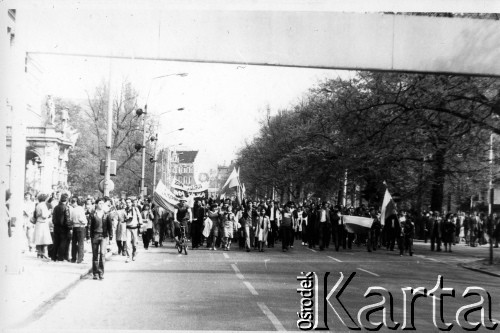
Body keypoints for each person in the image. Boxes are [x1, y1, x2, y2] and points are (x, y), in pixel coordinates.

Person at [88, 198, 113, 280]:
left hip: (103, 236)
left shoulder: (106, 214)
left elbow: (110, 226)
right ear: (96, 204)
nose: (101, 205)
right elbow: (89, 226)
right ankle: (95, 273)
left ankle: (101, 272)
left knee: (102, 254)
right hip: (95, 236)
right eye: (99, 203)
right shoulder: (92, 214)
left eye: (102, 203)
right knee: (95, 255)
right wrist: (88, 236)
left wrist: (111, 237)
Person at [51, 193, 72, 261]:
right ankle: (60, 257)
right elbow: (67, 219)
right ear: (67, 200)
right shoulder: (66, 208)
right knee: (63, 243)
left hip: (56, 227)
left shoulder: (56, 207)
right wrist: (69, 228)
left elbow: (53, 218)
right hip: (63, 228)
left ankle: (53, 257)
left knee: (56, 242)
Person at [33, 194, 52, 261]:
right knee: (44, 239)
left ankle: (39, 253)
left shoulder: (37, 205)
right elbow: (44, 215)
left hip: (38, 222)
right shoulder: (43, 205)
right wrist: (49, 212)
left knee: (39, 239)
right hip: (43, 223)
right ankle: (45, 254)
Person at [124, 197, 142, 262]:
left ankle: (134, 254)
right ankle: (128, 256)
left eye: (129, 202)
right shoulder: (125, 210)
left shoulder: (135, 209)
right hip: (128, 228)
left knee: (134, 244)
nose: (128, 204)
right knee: (127, 243)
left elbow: (139, 216)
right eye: (127, 202)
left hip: (134, 227)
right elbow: (122, 218)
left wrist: (140, 223)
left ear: (131, 203)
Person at [70, 197, 87, 263]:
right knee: (80, 243)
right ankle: (80, 259)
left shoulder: (72, 209)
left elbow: (71, 219)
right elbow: (82, 219)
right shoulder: (80, 209)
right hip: (80, 226)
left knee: (74, 243)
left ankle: (73, 258)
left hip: (74, 226)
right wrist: (85, 222)